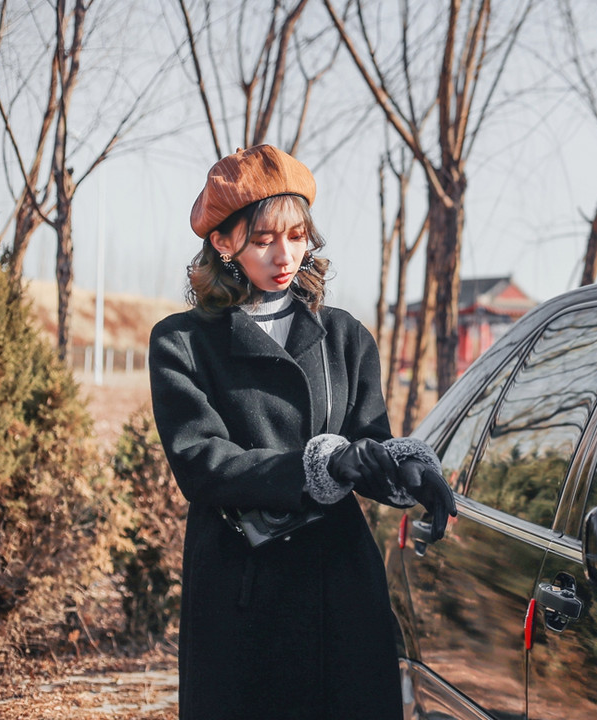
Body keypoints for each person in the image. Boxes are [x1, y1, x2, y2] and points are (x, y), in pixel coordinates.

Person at [149, 144, 456, 720]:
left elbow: (369, 437)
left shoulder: (345, 336)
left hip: (338, 585)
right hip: (243, 589)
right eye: (263, 239)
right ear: (223, 242)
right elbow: (202, 462)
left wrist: (410, 468)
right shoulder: (182, 341)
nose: (284, 254)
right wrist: (322, 463)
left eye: (296, 235)